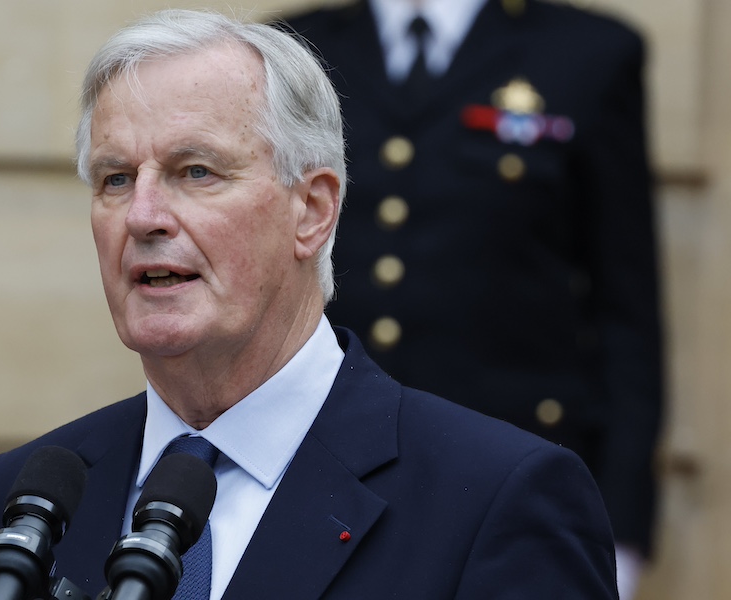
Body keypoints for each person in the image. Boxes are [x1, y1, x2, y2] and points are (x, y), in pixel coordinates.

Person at [0, 8, 615, 599]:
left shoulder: (498, 497)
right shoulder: (29, 493)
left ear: (311, 211)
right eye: (116, 179)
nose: (142, 216)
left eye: (196, 172)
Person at [279, 1, 663, 595]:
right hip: (318, 470)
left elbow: (626, 307)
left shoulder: (589, 53)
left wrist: (623, 527)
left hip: (513, 480)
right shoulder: (292, 48)